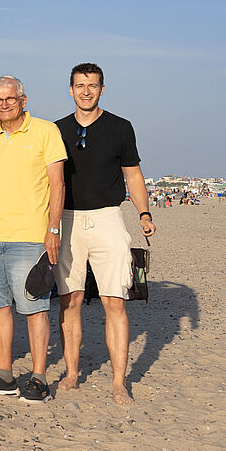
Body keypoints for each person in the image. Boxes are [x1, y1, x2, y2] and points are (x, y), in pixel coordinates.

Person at [55, 63, 156, 405]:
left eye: (93, 85)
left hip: (108, 219)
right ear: (70, 89)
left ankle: (118, 381)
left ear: (102, 89)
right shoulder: (56, 130)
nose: (86, 91)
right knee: (71, 300)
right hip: (66, 219)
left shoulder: (120, 128)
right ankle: (71, 373)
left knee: (115, 301)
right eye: (80, 85)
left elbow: (134, 175)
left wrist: (144, 213)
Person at [0, 76, 66, 404]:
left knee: (34, 308)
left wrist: (53, 230)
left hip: (29, 237)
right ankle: (5, 375)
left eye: (10, 98)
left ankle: (38, 377)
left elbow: (57, 184)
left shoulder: (46, 132)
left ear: (23, 100)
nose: (4, 104)